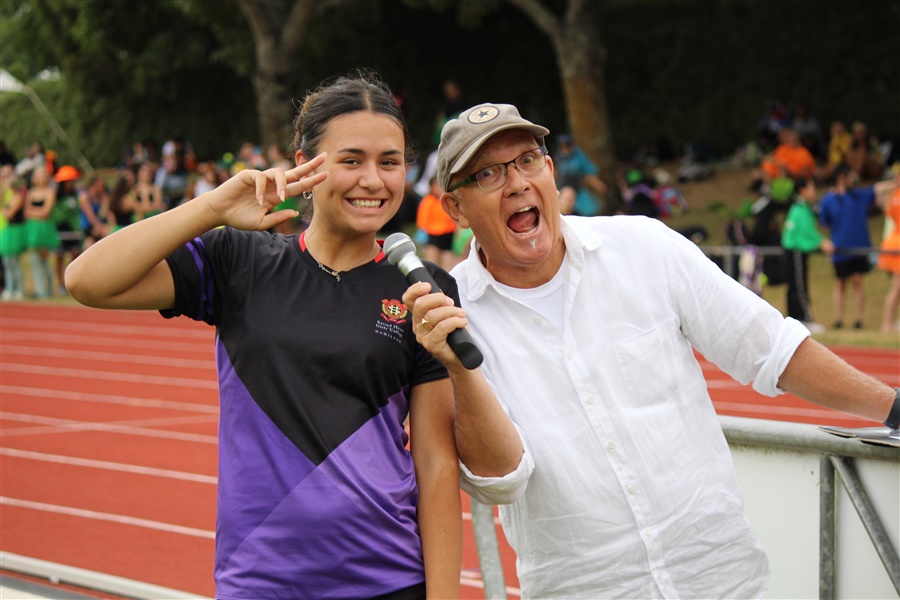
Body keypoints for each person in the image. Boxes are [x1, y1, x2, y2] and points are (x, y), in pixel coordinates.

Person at [401, 102, 900, 599]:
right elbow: (500, 482)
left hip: (723, 582)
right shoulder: (453, 318)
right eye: (487, 173)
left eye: (528, 160)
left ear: (551, 172)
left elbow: (770, 348)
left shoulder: (644, 246)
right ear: (455, 208)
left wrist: (893, 408)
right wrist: (459, 369)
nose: (516, 182)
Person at [65, 73, 461, 600]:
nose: (373, 180)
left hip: (388, 578)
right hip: (261, 579)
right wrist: (210, 208)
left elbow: (435, 462)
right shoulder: (240, 260)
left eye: (389, 162)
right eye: (351, 160)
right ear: (304, 164)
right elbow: (87, 281)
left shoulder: (422, 284)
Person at [817, 164, 897, 329]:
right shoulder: (828, 200)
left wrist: (895, 183)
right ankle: (838, 318)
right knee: (841, 282)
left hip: (859, 246)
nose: (853, 179)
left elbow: (877, 188)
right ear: (842, 178)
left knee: (857, 280)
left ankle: (858, 319)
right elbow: (824, 223)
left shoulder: (857, 195)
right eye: (849, 176)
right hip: (840, 248)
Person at [781, 178, 834, 332]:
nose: (814, 191)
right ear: (802, 190)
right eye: (811, 187)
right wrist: (821, 241)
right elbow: (806, 232)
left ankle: (794, 320)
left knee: (795, 285)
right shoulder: (800, 208)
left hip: (793, 251)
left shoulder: (799, 207)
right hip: (795, 251)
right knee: (799, 284)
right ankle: (804, 318)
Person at [23, 165, 59, 298]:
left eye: (44, 174)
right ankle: (40, 290)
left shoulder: (50, 191)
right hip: (33, 229)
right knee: (34, 260)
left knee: (45, 259)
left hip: (44, 229)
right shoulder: (31, 192)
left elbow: (46, 212)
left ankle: (48, 288)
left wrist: (34, 213)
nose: (42, 177)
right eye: (39, 174)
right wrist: (37, 213)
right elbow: (26, 212)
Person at [554, 134, 606, 216]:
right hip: (563, 188)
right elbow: (555, 173)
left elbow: (589, 174)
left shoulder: (579, 157)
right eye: (562, 146)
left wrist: (598, 185)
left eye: (566, 145)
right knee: (562, 208)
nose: (564, 149)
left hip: (578, 190)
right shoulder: (559, 158)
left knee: (589, 211)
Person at [52, 166, 84, 296]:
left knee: (75, 256)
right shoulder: (57, 196)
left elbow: (77, 213)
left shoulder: (76, 196)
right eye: (68, 181)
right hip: (60, 229)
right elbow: (57, 214)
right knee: (59, 257)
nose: (71, 183)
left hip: (73, 230)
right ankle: (60, 284)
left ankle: (73, 283)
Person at [416, 176, 458, 271]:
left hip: (448, 235)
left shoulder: (449, 201)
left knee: (449, 266)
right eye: (436, 186)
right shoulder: (429, 201)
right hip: (433, 236)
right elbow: (422, 221)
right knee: (431, 263)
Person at [876, 163, 900, 333]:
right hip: (897, 243)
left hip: (893, 241)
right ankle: (886, 324)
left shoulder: (894, 195)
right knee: (896, 286)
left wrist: (892, 186)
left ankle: (889, 323)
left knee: (896, 286)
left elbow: (886, 211)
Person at [0, 165, 26, 300]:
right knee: (7, 262)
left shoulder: (19, 197)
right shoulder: (12, 197)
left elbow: (9, 214)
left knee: (14, 262)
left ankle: (19, 289)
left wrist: (2, 209)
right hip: (9, 231)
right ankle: (10, 289)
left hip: (14, 231)